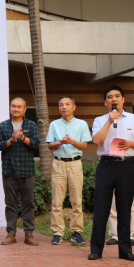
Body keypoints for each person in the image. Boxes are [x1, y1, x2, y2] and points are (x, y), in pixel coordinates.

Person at [89, 85, 134, 261]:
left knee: (125, 208)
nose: (113, 99)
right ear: (105, 102)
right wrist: (110, 121)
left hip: (127, 166)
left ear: (123, 100)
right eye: (110, 97)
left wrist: (131, 144)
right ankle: (96, 250)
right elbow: (96, 141)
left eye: (117, 96)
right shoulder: (100, 120)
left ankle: (125, 250)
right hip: (106, 165)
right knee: (101, 208)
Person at [46, 96, 92, 245]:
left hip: (75, 164)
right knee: (56, 200)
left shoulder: (81, 124)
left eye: (67, 104)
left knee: (76, 200)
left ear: (74, 107)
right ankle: (57, 232)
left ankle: (76, 231)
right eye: (61, 105)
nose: (64, 107)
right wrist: (60, 142)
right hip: (59, 163)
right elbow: (50, 145)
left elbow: (84, 145)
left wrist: (71, 141)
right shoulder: (54, 124)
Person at [0, 97, 40, 246]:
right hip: (9, 170)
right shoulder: (2, 126)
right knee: (10, 205)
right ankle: (11, 234)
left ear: (24, 109)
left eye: (19, 107)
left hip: (27, 170)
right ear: (10, 108)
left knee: (28, 204)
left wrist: (23, 138)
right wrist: (11, 140)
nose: (16, 109)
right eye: (13, 106)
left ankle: (29, 234)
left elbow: (36, 144)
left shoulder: (31, 125)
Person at [107, 149, 134, 246]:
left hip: (128, 169)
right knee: (113, 205)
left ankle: (129, 236)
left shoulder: (132, 140)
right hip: (111, 169)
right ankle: (114, 235)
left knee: (129, 205)